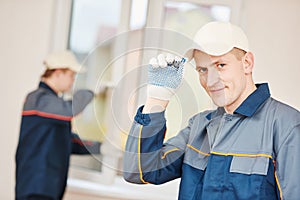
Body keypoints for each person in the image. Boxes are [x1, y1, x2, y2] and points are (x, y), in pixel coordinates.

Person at [123, 21, 300, 199]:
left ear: (247, 63)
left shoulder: (286, 126)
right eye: (202, 70)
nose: (211, 81)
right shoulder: (199, 126)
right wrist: (156, 100)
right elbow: (139, 171)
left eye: (220, 65)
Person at [15, 50, 101, 200]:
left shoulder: (52, 105)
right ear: (58, 72)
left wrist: (101, 147)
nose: (73, 80)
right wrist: (92, 92)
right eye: (71, 75)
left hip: (48, 189)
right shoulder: (38, 99)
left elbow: (67, 140)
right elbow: (71, 109)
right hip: (35, 188)